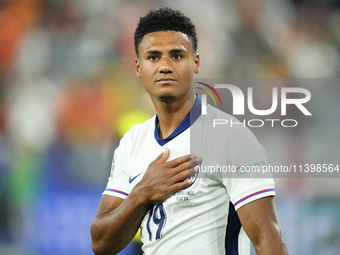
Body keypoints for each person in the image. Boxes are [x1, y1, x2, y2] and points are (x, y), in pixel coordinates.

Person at [90, 7, 288, 255]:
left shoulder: (230, 137)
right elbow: (100, 243)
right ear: (138, 67)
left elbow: (266, 238)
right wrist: (142, 192)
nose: (164, 66)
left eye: (176, 56)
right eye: (153, 57)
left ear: (195, 63)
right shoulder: (131, 142)